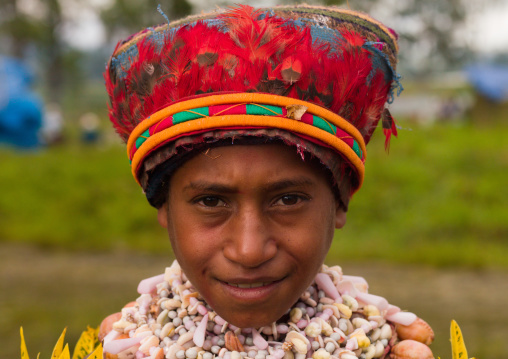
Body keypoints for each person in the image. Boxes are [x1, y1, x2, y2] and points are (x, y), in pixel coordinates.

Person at [99, 5, 435, 359]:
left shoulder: (394, 346)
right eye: (211, 202)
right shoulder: (125, 343)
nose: (249, 250)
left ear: (339, 201)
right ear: (165, 208)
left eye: (288, 199)